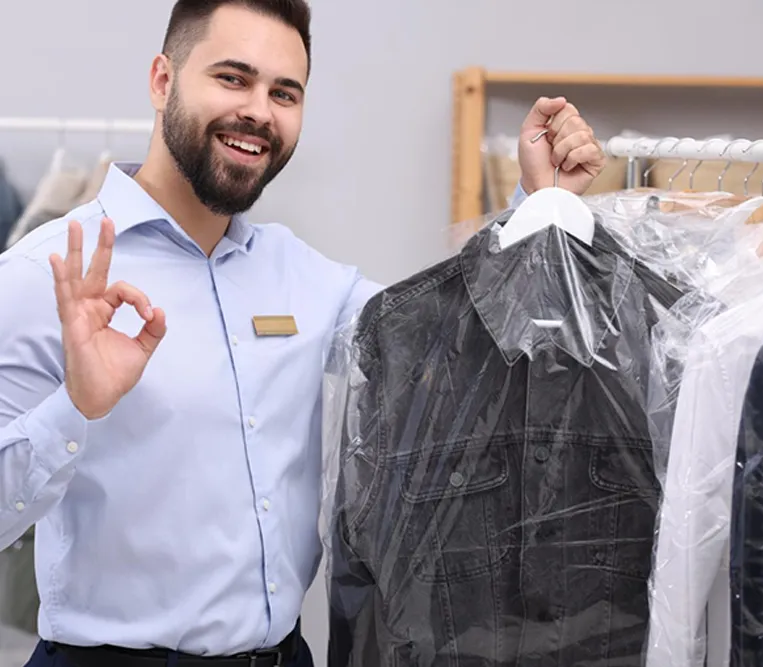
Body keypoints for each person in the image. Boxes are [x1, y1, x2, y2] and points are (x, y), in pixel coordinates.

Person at [0, 1, 607, 666]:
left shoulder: (310, 281)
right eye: (233, 78)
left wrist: (538, 200)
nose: (260, 111)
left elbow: (452, 340)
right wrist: (77, 407)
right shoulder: (46, 276)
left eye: (284, 92)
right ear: (162, 81)